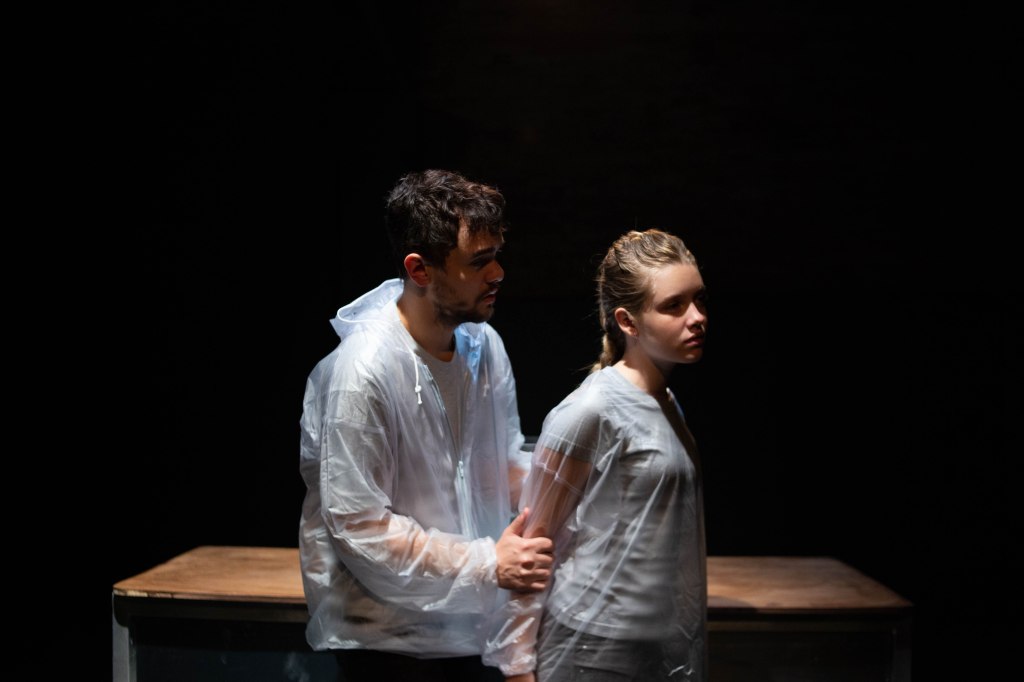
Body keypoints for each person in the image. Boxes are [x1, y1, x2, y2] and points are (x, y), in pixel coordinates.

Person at [298, 169, 555, 682]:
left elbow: (503, 466)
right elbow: (361, 529)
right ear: (420, 269)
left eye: (496, 255)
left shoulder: (483, 346)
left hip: (473, 629)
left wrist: (577, 495)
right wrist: (487, 564)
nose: (498, 273)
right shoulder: (362, 374)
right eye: (478, 261)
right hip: (391, 647)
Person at [483, 229, 710, 681]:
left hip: (650, 644)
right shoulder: (591, 410)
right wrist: (518, 669)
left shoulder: (665, 401)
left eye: (699, 299)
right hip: (590, 647)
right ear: (628, 321)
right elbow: (534, 542)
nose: (697, 317)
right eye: (674, 305)